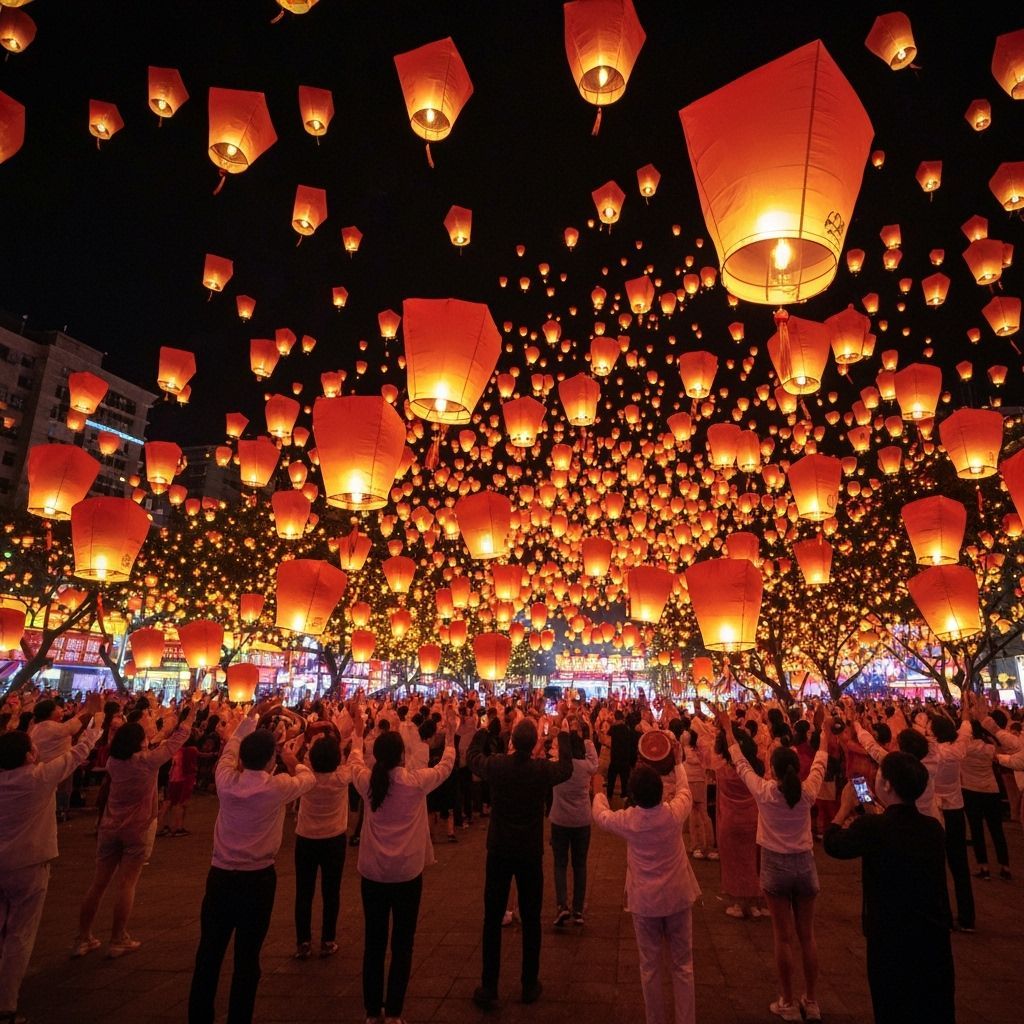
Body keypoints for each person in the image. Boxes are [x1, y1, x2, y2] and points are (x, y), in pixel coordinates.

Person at [187, 700, 314, 1024]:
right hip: (258, 880)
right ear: (272, 759)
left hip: (220, 875)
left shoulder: (226, 781)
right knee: (247, 958)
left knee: (209, 954)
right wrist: (291, 758)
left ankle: (199, 1016)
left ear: (243, 758)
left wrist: (252, 716)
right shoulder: (276, 787)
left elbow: (230, 747)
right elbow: (308, 779)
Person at [824, 752, 954, 1024]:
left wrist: (844, 808)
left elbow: (834, 844)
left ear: (888, 785)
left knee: (892, 1005)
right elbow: (892, 827)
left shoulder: (875, 827)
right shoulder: (933, 828)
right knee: (934, 1007)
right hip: (932, 935)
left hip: (890, 935)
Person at [348, 702, 456, 1024]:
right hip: (407, 874)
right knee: (403, 944)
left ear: (377, 755)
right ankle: (394, 1012)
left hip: (373, 873)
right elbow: (445, 767)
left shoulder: (367, 782)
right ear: (402, 756)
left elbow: (354, 759)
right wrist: (450, 737)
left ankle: (372, 1012)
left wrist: (357, 732)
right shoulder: (414, 783)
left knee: (374, 943)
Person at [719, 704, 827, 1022]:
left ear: (774, 769)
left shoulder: (765, 792)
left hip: (775, 866)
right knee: (807, 936)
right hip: (805, 864)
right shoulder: (807, 792)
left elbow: (739, 762)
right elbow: (820, 758)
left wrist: (727, 729)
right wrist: (822, 727)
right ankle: (812, 1000)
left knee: (783, 937)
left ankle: (788, 1001)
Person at [0, 693, 102, 1021]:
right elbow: (80, 751)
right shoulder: (39, 778)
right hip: (29, 864)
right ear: (29, 755)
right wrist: (96, 721)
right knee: (20, 935)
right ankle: (6, 1004)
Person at [592, 740, 699, 1024]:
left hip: (645, 901)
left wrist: (599, 791)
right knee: (683, 965)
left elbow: (601, 816)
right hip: (677, 894)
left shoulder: (629, 820)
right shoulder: (673, 813)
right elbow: (686, 790)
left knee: (650, 967)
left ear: (633, 794)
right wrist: (676, 762)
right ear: (661, 790)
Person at [74, 699, 192, 959]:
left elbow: (162, 740)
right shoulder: (148, 761)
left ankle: (83, 938)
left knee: (98, 883)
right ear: (140, 741)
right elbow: (176, 741)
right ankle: (118, 938)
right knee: (127, 884)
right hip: (138, 828)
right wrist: (188, 717)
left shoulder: (115, 762)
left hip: (110, 825)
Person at [469, 717, 572, 1009]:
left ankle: (489, 986)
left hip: (499, 849)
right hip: (529, 852)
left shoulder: (499, 766)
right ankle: (529, 983)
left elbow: (473, 758)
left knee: (492, 918)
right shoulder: (540, 770)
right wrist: (563, 735)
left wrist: (482, 730)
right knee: (531, 918)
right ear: (535, 743)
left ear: (512, 741)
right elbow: (566, 768)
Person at [293, 731, 351, 960]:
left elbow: (292, 759)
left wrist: (300, 742)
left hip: (306, 839)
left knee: (304, 892)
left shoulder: (307, 777)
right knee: (331, 891)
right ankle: (328, 940)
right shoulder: (342, 778)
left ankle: (303, 942)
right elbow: (354, 755)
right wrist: (351, 737)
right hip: (334, 839)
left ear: (312, 758)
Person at [548, 714, 598, 926]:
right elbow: (594, 761)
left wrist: (560, 736)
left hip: (559, 819)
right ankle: (578, 910)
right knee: (580, 865)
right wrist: (586, 738)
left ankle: (562, 906)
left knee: (560, 864)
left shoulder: (559, 767)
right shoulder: (586, 767)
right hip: (581, 820)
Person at [960, 719, 1010, 880]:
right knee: (997, 830)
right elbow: (1000, 755)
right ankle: (1005, 866)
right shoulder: (990, 748)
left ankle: (984, 867)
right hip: (991, 790)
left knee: (977, 831)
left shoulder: (964, 749)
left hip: (971, 791)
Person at [606, 709, 632, 802]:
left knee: (611, 778)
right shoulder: (627, 729)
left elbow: (607, 736)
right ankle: (624, 795)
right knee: (624, 779)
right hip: (625, 758)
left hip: (615, 758)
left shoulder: (613, 729)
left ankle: (609, 795)